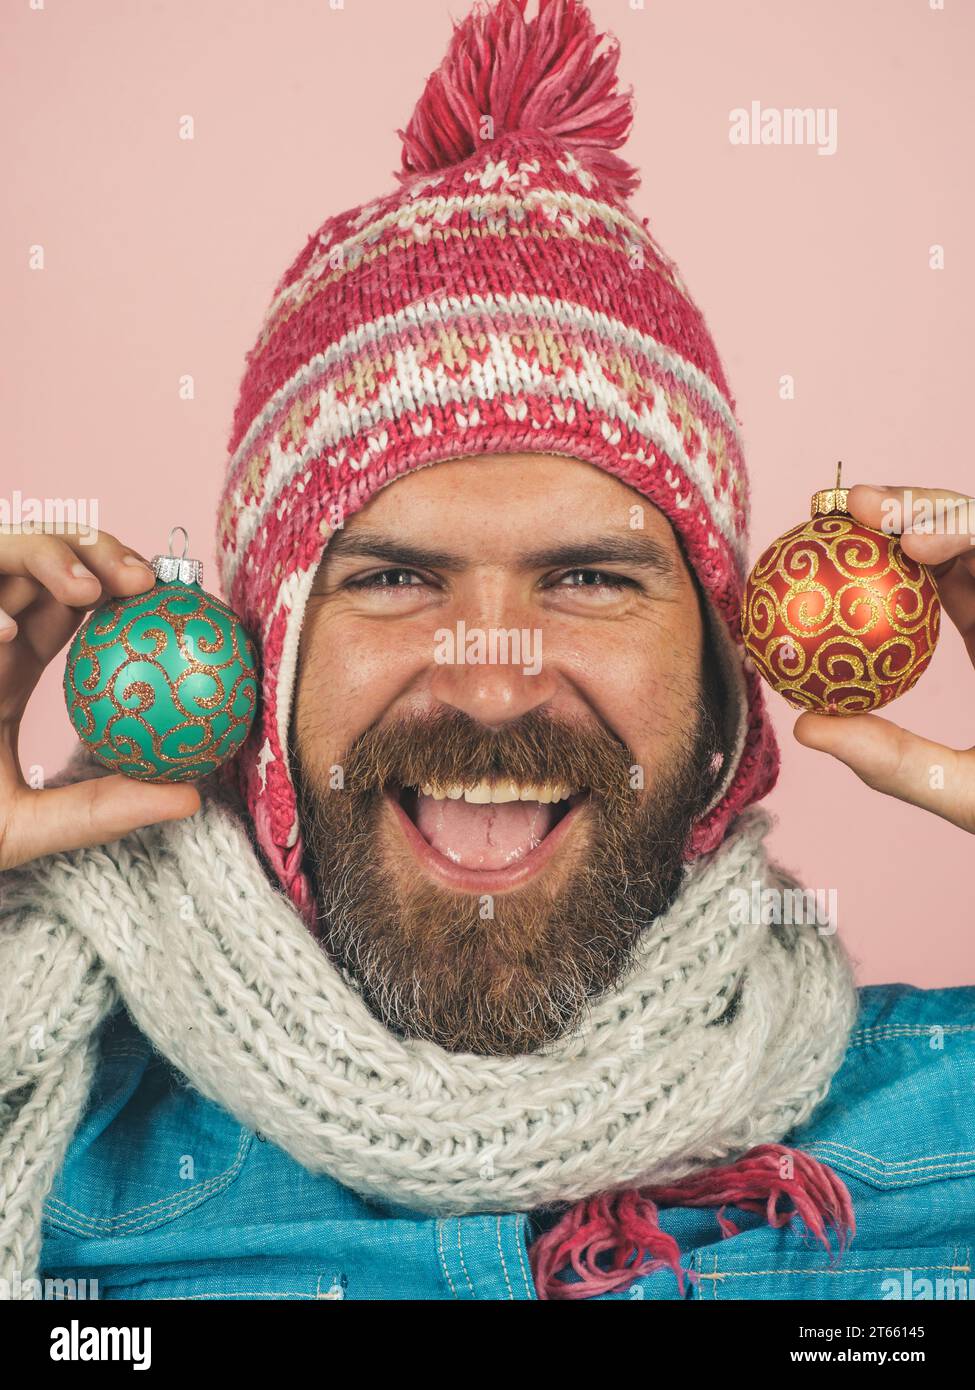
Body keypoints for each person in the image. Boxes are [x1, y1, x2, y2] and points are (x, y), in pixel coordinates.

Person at [1, 0, 972, 1302]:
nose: (493, 671)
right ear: (260, 654)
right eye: (395, 576)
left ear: (729, 682)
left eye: (588, 576)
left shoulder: (947, 1142)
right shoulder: (43, 1134)